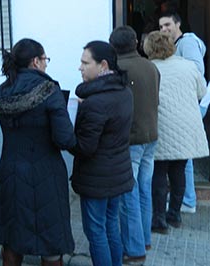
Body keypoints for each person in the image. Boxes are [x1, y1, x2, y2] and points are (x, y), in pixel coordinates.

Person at [0, 38, 76, 266]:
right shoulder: (49, 89)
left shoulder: (3, 91)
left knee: (12, 238)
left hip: (10, 171)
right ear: (35, 61)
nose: (46, 65)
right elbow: (65, 138)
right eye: (45, 60)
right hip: (46, 174)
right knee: (51, 244)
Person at [69, 41, 135, 266]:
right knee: (110, 227)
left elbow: (85, 147)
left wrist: (66, 136)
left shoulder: (94, 102)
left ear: (103, 65)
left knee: (96, 232)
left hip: (96, 178)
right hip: (117, 174)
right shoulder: (124, 91)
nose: (80, 67)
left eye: (85, 62)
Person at [142, 31, 209, 234]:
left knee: (159, 172)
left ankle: (159, 219)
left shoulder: (149, 68)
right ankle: (175, 215)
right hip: (187, 126)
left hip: (162, 124)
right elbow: (202, 92)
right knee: (179, 171)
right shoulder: (188, 66)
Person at [109, 26, 160, 264]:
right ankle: (144, 239)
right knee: (143, 189)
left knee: (128, 195)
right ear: (136, 43)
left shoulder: (118, 69)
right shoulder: (151, 66)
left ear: (113, 47)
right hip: (151, 135)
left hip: (131, 139)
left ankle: (135, 248)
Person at [159, 11, 207, 213]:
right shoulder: (178, 45)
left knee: (183, 156)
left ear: (178, 24)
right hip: (183, 105)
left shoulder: (186, 42)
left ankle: (187, 200)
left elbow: (197, 70)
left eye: (168, 24)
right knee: (182, 156)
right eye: (161, 27)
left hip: (186, 105)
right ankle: (186, 198)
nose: (164, 29)